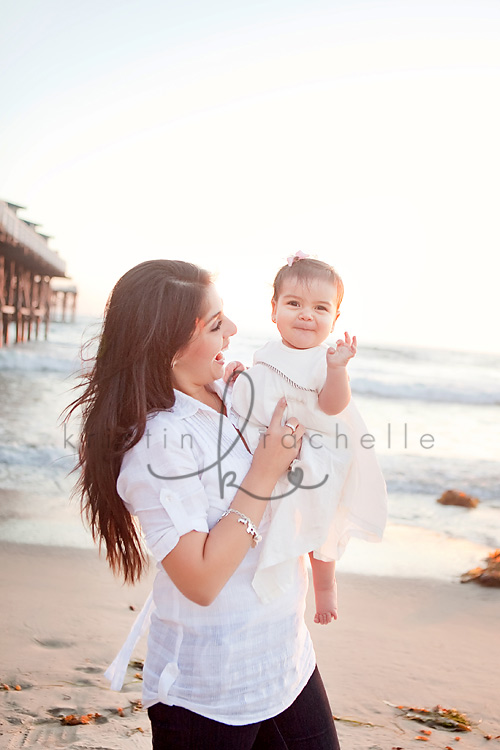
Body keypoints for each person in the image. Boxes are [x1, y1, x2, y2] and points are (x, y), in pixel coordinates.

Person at [65, 259, 342, 749]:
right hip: (211, 688)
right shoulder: (159, 442)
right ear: (169, 347)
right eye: (216, 326)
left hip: (286, 657)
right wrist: (263, 474)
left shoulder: (231, 393)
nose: (233, 331)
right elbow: (201, 580)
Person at [230, 253, 387, 623]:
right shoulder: (266, 353)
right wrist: (238, 376)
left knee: (321, 512)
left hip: (318, 447)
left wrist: (337, 369)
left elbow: (333, 407)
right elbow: (260, 393)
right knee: (268, 510)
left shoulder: (323, 361)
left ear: (334, 319)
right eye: (294, 304)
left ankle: (325, 587)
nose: (306, 314)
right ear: (274, 309)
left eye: (320, 308)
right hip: (274, 442)